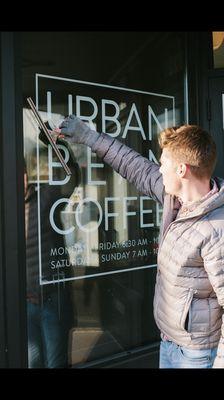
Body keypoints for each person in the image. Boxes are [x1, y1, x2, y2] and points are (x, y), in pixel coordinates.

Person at [49, 115, 224, 369]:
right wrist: (89, 137)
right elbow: (135, 166)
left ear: (181, 170)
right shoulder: (173, 198)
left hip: (196, 355)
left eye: (163, 163)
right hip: (169, 343)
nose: (159, 168)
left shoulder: (217, 229)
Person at [24, 151, 80, 368]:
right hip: (25, 305)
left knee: (55, 363)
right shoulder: (8, 209)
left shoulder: (43, 199)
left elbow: (70, 178)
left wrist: (57, 146)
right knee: (33, 362)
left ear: (26, 175)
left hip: (50, 301)